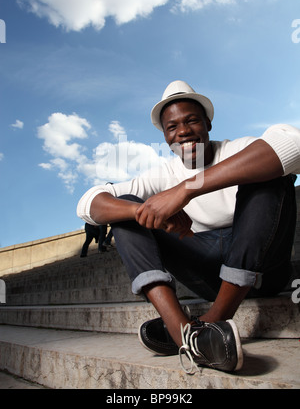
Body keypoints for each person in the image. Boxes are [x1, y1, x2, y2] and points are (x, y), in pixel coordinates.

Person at [77, 80, 300, 373]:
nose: (182, 131)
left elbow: (292, 145)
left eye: (192, 120)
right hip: (206, 273)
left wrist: (185, 190)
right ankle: (185, 332)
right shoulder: (161, 174)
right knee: (126, 213)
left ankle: (212, 323)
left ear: (207, 123)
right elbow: (87, 203)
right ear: (166, 137)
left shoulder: (238, 148)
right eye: (172, 127)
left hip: (264, 269)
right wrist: (146, 210)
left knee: (270, 176)